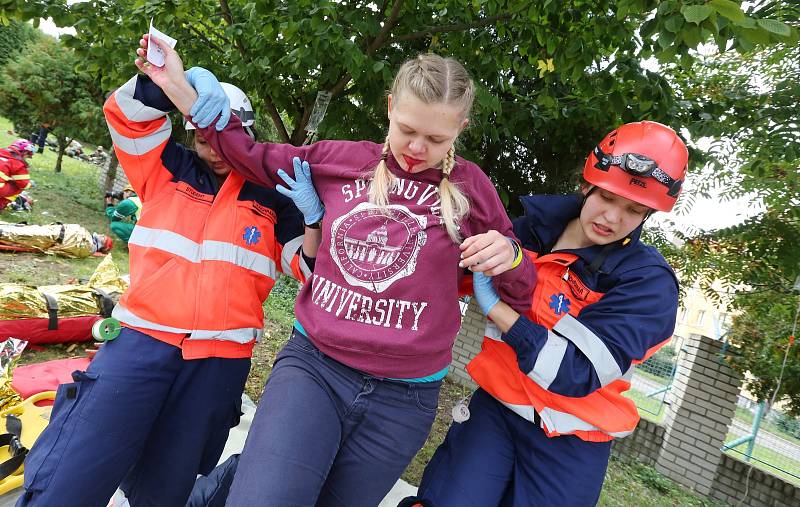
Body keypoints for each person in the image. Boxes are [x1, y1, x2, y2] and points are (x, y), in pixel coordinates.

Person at [140, 35, 536, 506]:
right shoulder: (343, 161)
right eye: (408, 128)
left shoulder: (473, 188)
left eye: (436, 139)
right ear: (390, 106)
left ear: (461, 129)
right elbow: (252, 155)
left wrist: (508, 256)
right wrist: (184, 91)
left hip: (404, 401)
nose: (416, 147)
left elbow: (522, 286)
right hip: (315, 369)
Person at [16, 71, 318, 506]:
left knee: (166, 486)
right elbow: (127, 114)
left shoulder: (274, 198)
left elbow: (306, 267)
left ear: (246, 133)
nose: (214, 151)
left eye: (224, 136)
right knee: (72, 470)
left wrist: (313, 220)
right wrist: (174, 84)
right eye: (202, 139)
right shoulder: (164, 166)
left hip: (217, 366)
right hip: (139, 347)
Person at [404, 121, 688, 507]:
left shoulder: (648, 285)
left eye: (634, 210)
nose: (612, 218)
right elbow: (443, 274)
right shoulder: (528, 231)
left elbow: (575, 371)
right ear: (587, 184)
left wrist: (499, 311)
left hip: (572, 443)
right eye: (606, 197)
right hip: (495, 413)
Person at [0, 139, 34, 211]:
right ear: (24, 152)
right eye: (27, 156)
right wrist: (31, 184)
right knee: (18, 188)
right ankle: (1, 205)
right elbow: (24, 184)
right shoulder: (17, 163)